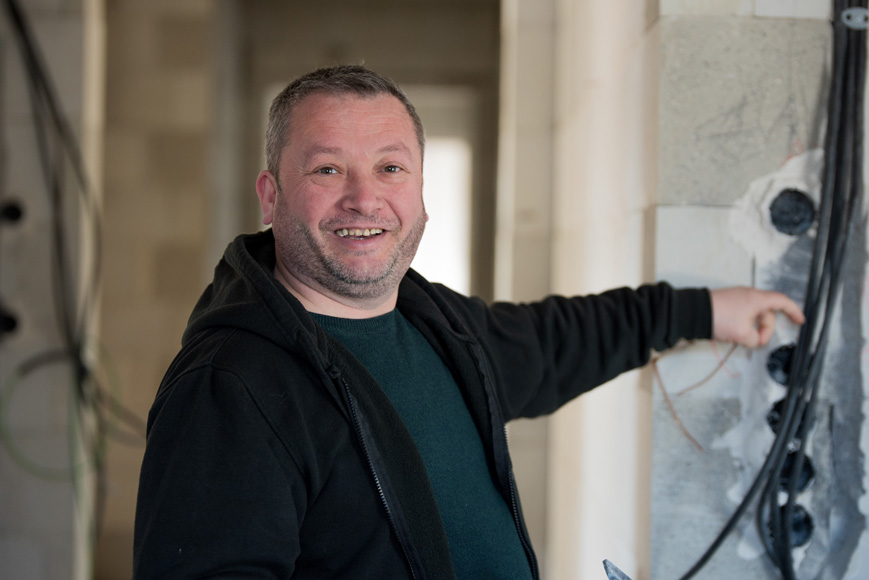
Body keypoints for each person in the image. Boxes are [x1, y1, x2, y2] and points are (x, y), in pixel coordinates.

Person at [132, 65, 805, 580]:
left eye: (390, 167)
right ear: (270, 195)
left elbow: (555, 340)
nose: (364, 198)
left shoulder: (436, 324)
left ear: (420, 192)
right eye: (327, 168)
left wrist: (702, 310)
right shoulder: (229, 387)